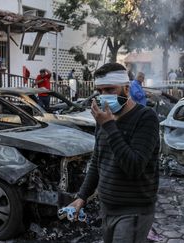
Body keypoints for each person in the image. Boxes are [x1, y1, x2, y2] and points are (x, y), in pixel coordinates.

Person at [68, 63, 160, 243]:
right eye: (100, 91)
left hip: (133, 211)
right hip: (108, 209)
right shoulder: (103, 119)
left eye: (110, 89)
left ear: (127, 88)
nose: (104, 96)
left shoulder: (146, 118)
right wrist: (82, 196)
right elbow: (97, 160)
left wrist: (109, 126)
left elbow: (134, 166)